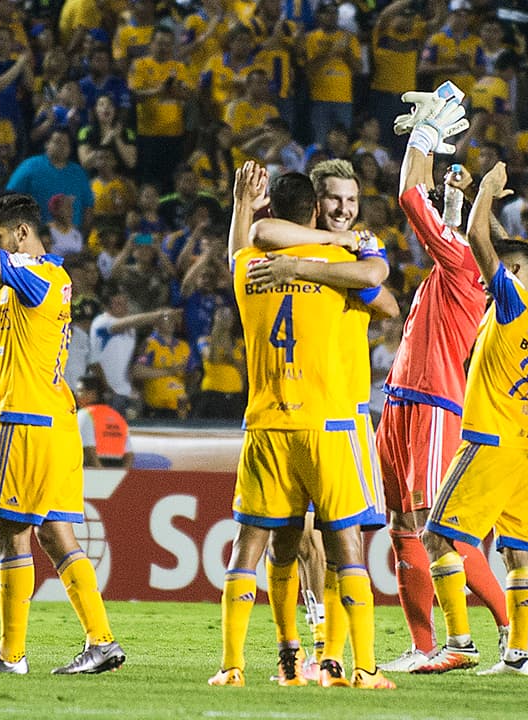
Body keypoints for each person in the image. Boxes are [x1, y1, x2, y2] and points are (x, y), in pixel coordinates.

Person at [208, 162, 394, 690]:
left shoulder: (250, 267)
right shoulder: (341, 259)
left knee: (260, 544)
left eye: (351, 201)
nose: (344, 211)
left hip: (267, 424)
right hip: (329, 424)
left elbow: (244, 244)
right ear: (315, 207)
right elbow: (379, 287)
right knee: (343, 546)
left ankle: (245, 663)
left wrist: (243, 206)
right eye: (334, 201)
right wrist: (321, 257)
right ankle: (354, 665)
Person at [0, 136, 125, 676]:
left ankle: (11, 654)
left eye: (0, 237)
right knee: (55, 533)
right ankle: (101, 641)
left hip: (25, 420)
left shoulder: (36, 276)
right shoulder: (45, 279)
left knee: (11, 535)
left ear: (23, 234)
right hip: (55, 421)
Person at [375, 109, 510, 672]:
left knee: (437, 527)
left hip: (434, 402)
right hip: (400, 397)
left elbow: (410, 195)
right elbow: (440, 215)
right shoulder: (457, 264)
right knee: (402, 526)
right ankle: (423, 645)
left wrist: (427, 132)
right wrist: (453, 191)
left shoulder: (463, 262)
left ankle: (510, 629)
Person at [414, 155, 528, 679]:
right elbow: (507, 251)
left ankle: (459, 642)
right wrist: (489, 209)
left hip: (488, 437)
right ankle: (517, 656)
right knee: (517, 551)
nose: (485, 274)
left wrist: (489, 190)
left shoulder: (512, 302)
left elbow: (479, 240)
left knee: (436, 536)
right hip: (524, 444)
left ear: (512, 277)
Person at [76, 373, 133, 468]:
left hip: (92, 468)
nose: (76, 395)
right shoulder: (117, 416)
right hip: (118, 468)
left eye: (80, 391)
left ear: (92, 393)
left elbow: (89, 449)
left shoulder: (84, 414)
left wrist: (102, 472)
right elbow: (129, 454)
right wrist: (122, 473)